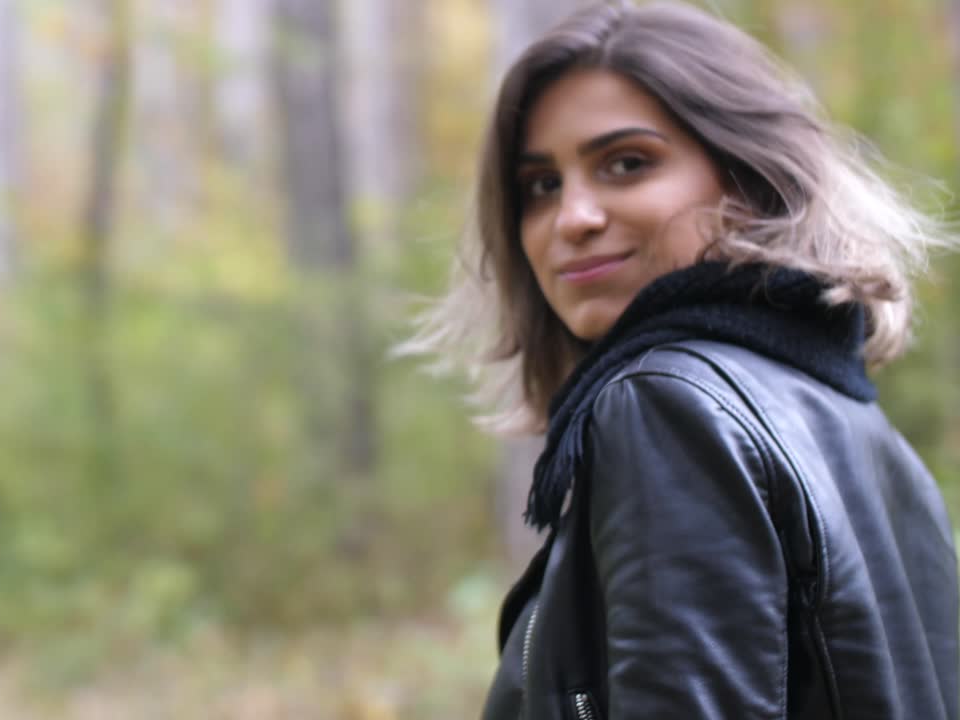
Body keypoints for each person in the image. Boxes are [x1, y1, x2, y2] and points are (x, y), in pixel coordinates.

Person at [402, 1, 960, 717]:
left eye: (627, 164)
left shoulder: (663, 403)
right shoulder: (857, 421)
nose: (574, 218)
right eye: (542, 185)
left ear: (748, 177)